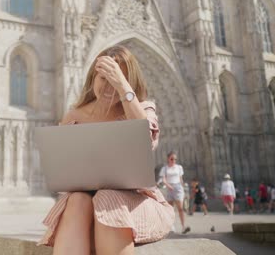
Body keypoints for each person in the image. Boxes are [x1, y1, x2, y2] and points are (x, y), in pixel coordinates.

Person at [38, 45, 174, 255]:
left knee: (107, 196)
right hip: (86, 206)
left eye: (117, 79)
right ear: (93, 79)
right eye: (104, 78)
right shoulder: (75, 115)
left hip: (137, 204)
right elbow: (63, 168)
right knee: (76, 200)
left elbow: (145, 141)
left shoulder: (143, 108)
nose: (110, 85)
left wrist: (123, 88)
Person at [160, 151, 190, 234]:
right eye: (172, 159)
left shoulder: (179, 167)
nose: (173, 161)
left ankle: (183, 227)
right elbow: (163, 179)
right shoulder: (165, 168)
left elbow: (181, 179)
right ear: (168, 159)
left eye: (175, 159)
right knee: (170, 209)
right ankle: (171, 226)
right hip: (169, 188)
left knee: (180, 208)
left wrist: (183, 188)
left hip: (178, 187)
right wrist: (168, 185)